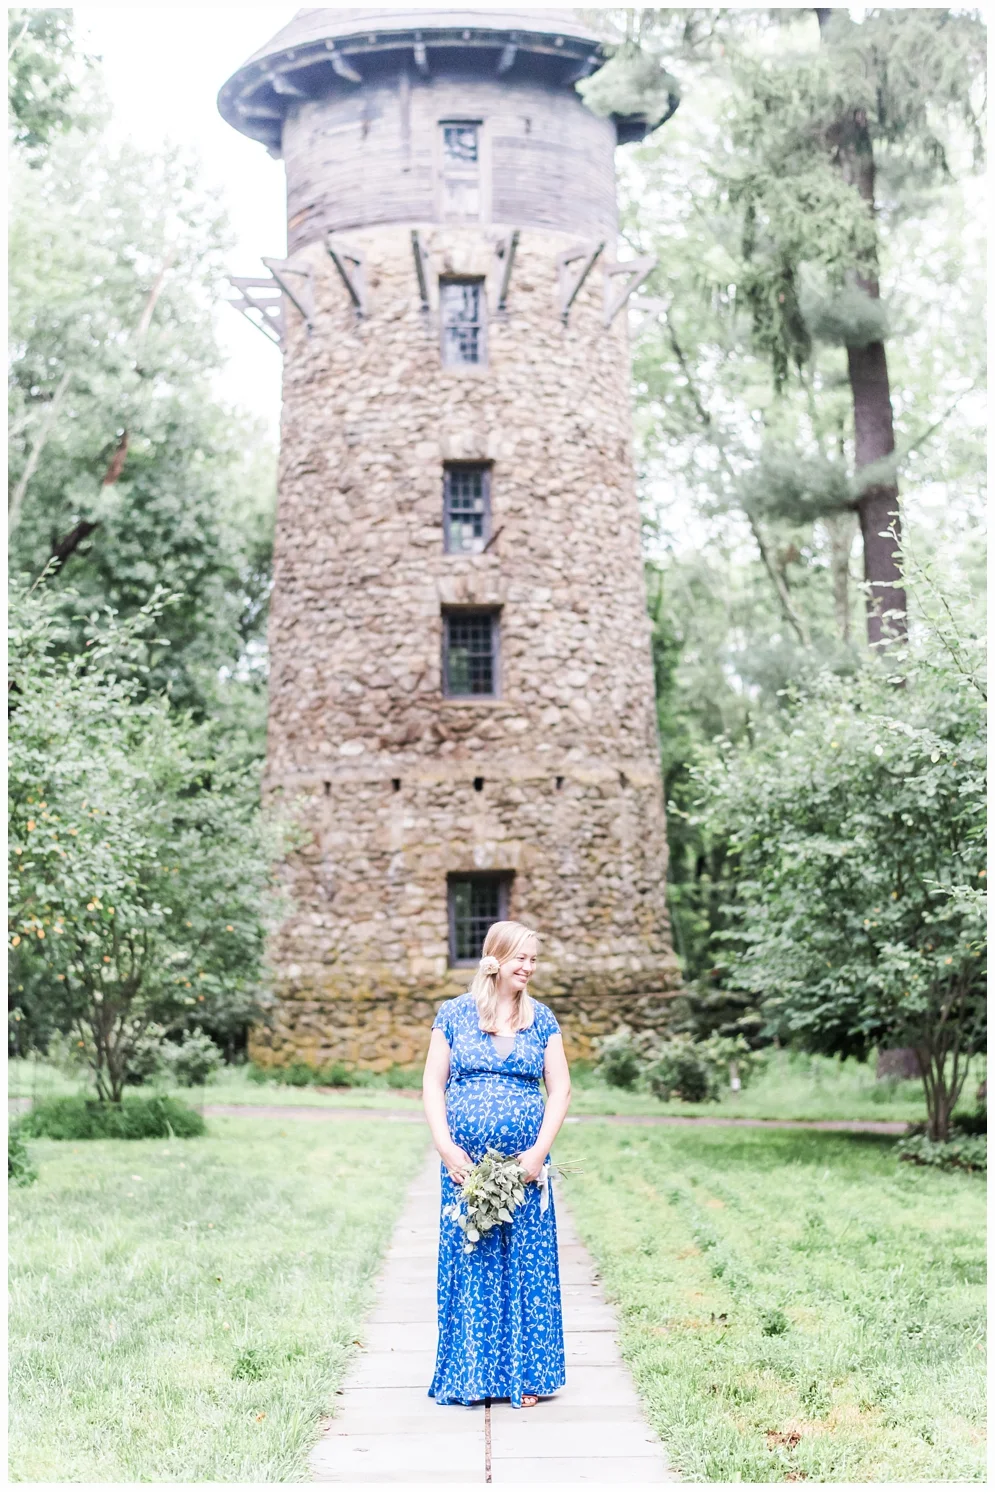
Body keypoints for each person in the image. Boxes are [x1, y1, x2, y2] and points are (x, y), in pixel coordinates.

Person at [422, 920, 571, 1409]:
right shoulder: (454, 1014)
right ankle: (472, 1375)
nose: (528, 967)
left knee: (527, 1266)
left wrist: (538, 1153)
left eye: (533, 959)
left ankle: (526, 1375)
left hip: (525, 1167)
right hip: (466, 1169)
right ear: (495, 959)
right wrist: (447, 1148)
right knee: (472, 1261)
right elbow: (432, 1085)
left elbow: (560, 1090)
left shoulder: (542, 1019)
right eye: (520, 958)